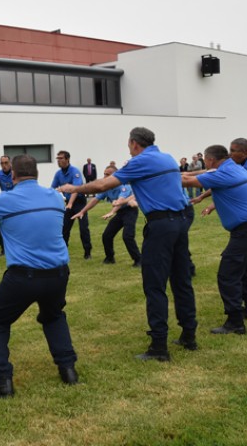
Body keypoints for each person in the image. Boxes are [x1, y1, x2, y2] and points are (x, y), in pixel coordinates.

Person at [59, 127, 197, 361]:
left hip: (161, 225)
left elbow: (103, 186)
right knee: (181, 280)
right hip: (180, 222)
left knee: (154, 286)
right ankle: (189, 335)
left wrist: (74, 188)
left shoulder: (140, 161)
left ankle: (159, 346)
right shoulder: (167, 157)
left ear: (134, 143)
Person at [0, 154, 79, 397]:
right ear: (38, 174)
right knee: (53, 316)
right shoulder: (55, 196)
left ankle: (3, 381)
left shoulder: (5, 199)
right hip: (58, 273)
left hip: (24, 276)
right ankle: (68, 370)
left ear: (12, 175)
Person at [182, 145, 247, 335]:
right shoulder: (232, 167)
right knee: (246, 271)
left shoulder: (223, 173)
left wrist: (157, 176)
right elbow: (204, 172)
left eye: (205, 159)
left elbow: (187, 181)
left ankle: (235, 322)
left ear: (210, 159)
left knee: (228, 274)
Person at [71, 165, 141, 267]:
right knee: (107, 235)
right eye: (104, 174)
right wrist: (82, 211)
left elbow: (120, 201)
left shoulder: (124, 185)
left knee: (127, 236)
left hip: (130, 211)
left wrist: (112, 211)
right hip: (120, 212)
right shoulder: (106, 188)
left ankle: (139, 260)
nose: (104, 176)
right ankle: (110, 258)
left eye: (107, 174)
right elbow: (95, 200)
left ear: (114, 175)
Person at [51, 150, 92, 260]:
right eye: (57, 159)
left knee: (83, 228)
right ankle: (63, 252)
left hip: (79, 202)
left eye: (61, 158)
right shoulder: (58, 174)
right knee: (64, 229)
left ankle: (87, 252)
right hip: (68, 204)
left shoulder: (75, 172)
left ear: (67, 159)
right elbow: (52, 189)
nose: (58, 161)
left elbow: (76, 189)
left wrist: (70, 203)